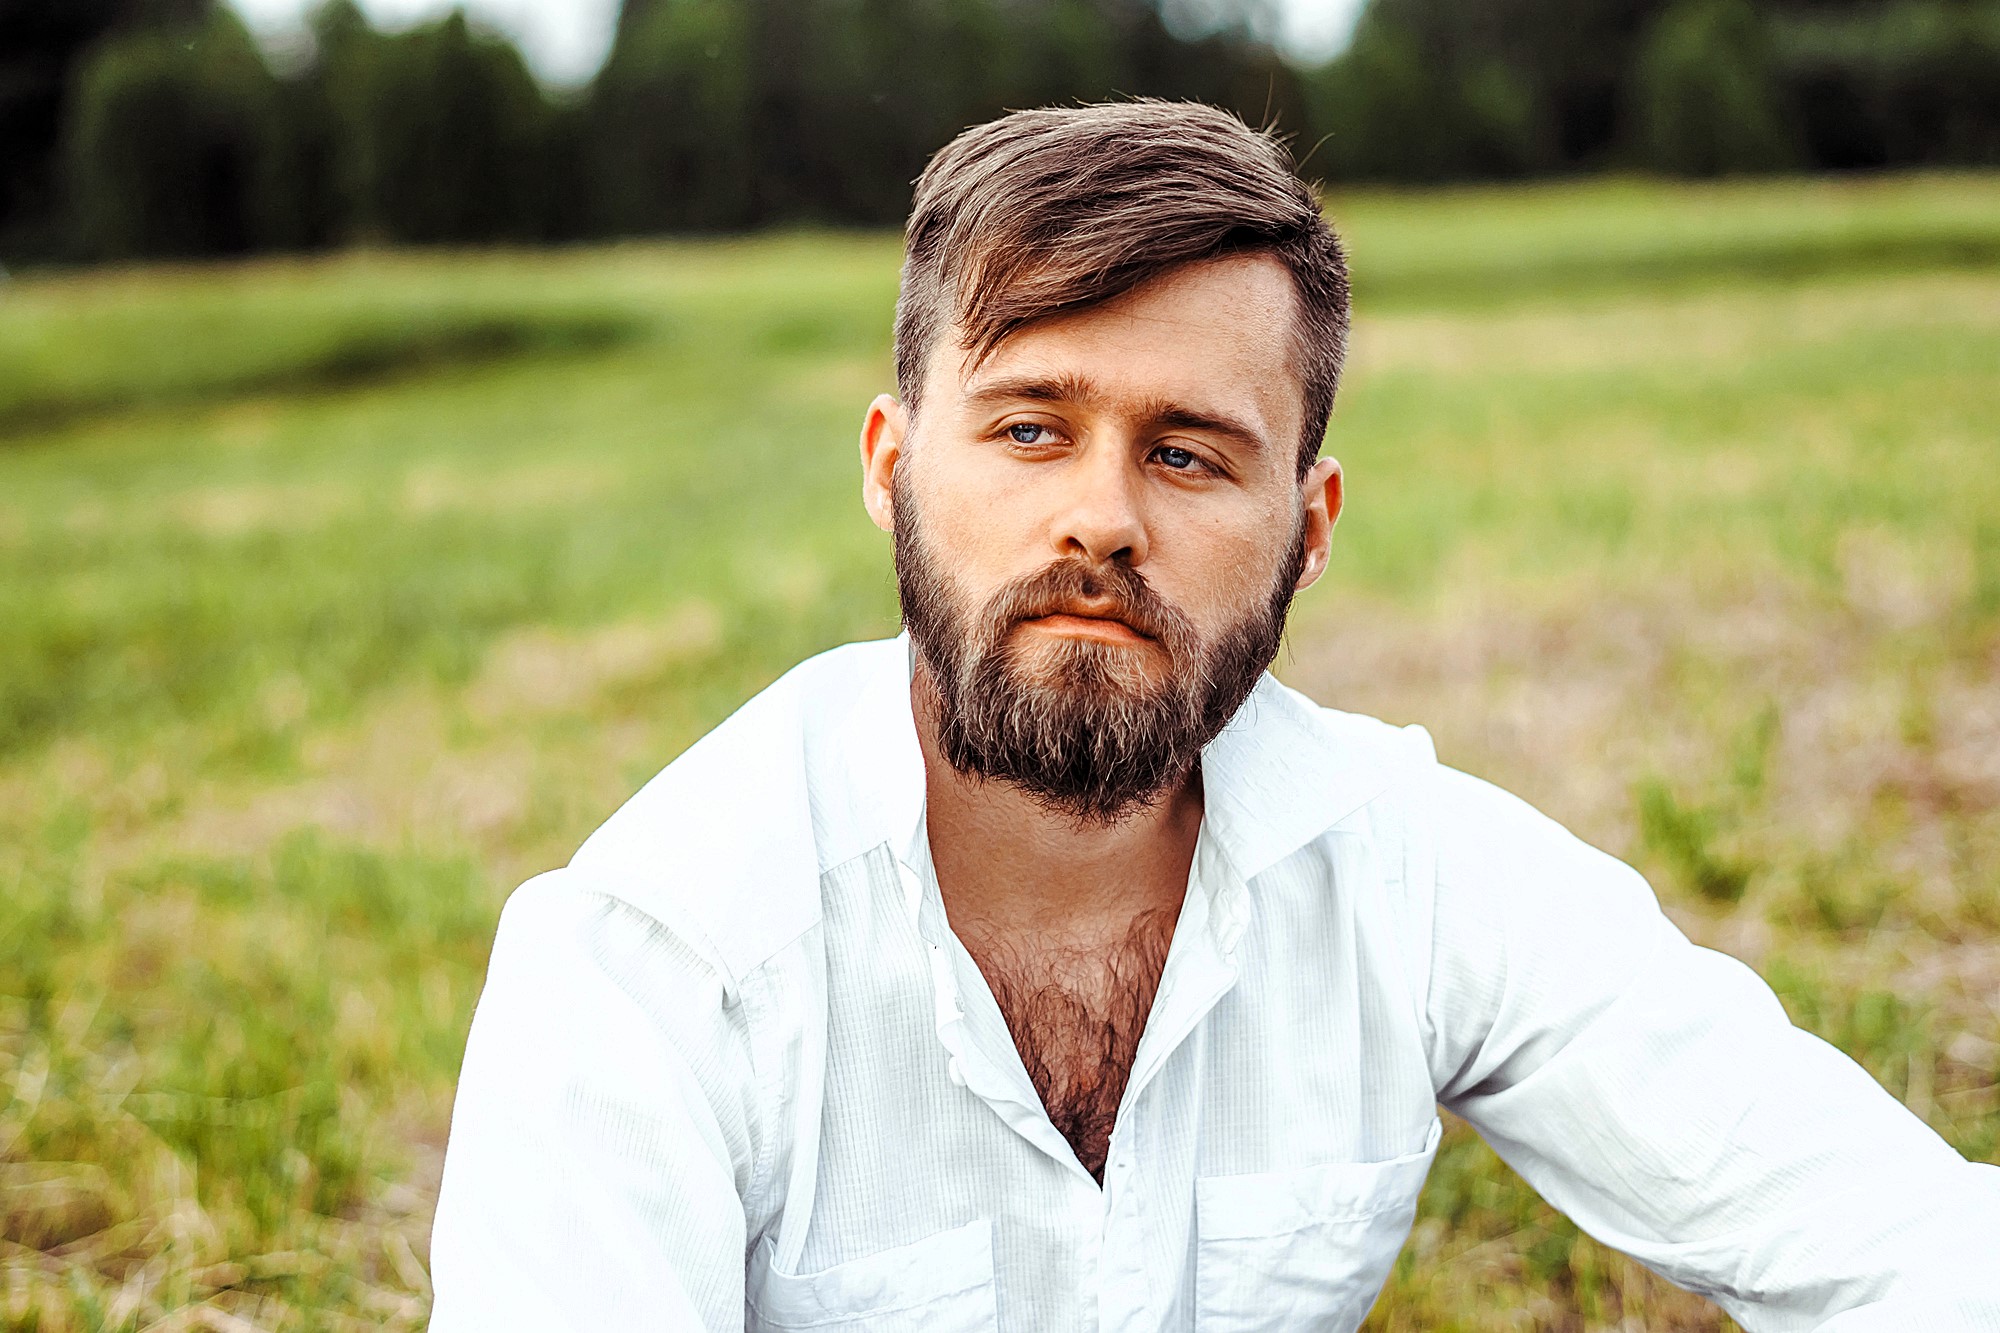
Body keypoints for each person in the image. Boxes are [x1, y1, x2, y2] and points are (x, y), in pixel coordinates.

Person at [426, 101, 1999, 1332]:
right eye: (1031, 426)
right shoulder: (651, 962)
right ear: (892, 465)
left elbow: (1872, 1231)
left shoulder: (1410, 869)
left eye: (1188, 453)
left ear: (1309, 525)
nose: (1101, 518)